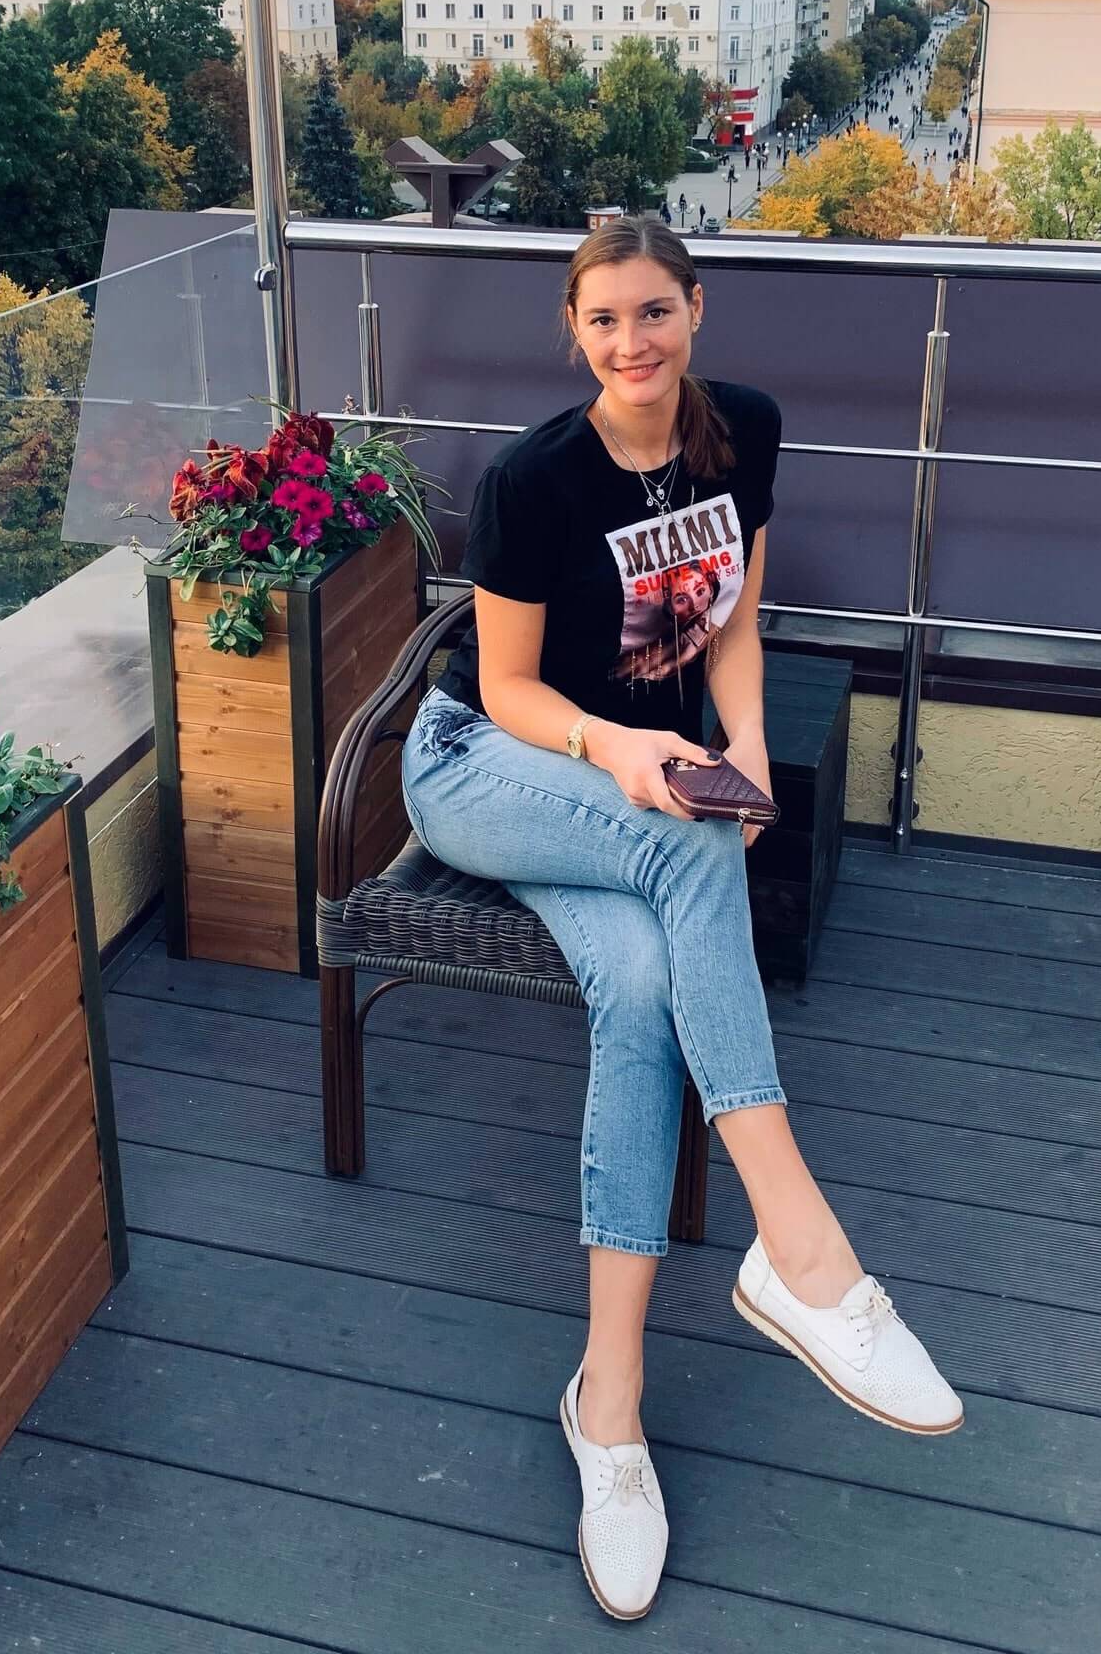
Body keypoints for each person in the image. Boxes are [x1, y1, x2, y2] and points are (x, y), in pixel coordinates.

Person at [399, 217, 963, 1622]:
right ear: (574, 331)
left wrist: (746, 742)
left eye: (653, 311)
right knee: (697, 854)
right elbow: (507, 688)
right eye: (603, 320)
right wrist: (621, 749)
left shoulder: (742, 432)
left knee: (647, 987)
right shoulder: (533, 479)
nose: (630, 342)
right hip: (487, 769)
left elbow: (733, 617)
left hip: (624, 791)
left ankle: (609, 1408)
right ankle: (802, 1248)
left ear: (696, 309)